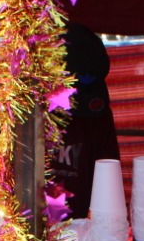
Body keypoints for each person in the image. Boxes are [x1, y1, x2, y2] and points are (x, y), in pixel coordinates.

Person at [48, 22, 120, 220]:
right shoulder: (27, 111)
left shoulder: (99, 117)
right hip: (31, 225)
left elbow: (109, 170)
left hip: (80, 224)